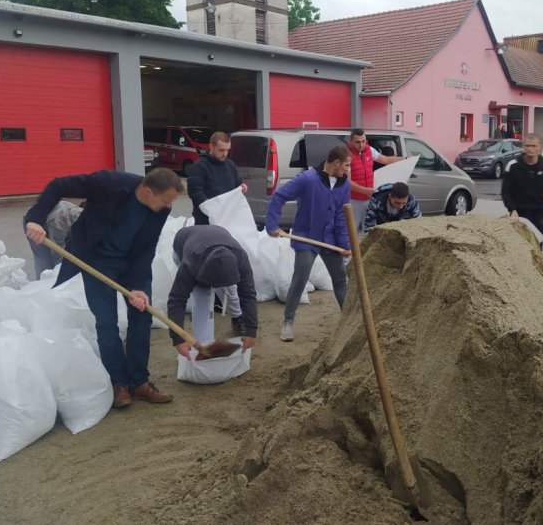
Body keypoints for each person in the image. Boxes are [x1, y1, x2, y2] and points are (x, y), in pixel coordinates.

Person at [24, 167, 184, 408]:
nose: (167, 206)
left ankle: (139, 381)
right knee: (106, 321)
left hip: (130, 263)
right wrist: (36, 219)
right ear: (148, 191)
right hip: (95, 261)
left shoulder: (161, 210)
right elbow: (58, 185)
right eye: (164, 200)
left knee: (142, 317)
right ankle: (119, 383)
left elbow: (146, 248)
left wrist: (140, 286)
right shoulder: (109, 184)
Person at [266, 145, 352, 342]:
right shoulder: (307, 179)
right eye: (346, 165)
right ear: (336, 163)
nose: (348, 170)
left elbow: (341, 217)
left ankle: (349, 322)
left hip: (330, 239)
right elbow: (279, 196)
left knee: (340, 280)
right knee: (300, 278)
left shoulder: (344, 185)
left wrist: (345, 244)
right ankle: (288, 321)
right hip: (307, 237)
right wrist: (272, 224)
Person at [167, 225, 257, 357]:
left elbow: (248, 294)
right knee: (202, 297)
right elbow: (177, 299)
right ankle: (204, 345)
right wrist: (178, 339)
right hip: (184, 244)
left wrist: (251, 330)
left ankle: (238, 319)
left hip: (218, 240)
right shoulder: (190, 264)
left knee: (231, 292)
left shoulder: (240, 258)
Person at [501, 133, 543, 236]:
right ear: (523, 147)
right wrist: (512, 209)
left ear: (540, 147)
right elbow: (505, 192)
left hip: (539, 212)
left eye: (533, 146)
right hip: (518, 212)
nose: (530, 149)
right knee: (520, 247)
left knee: (537, 246)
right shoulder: (513, 166)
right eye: (527, 146)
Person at [346, 128, 404, 231]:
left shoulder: (369, 150)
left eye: (363, 141)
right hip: (353, 200)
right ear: (351, 142)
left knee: (368, 230)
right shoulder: (347, 155)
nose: (361, 145)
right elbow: (348, 182)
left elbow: (385, 160)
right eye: (358, 142)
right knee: (351, 231)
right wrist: (364, 190)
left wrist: (404, 159)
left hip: (368, 199)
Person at [187, 131, 247, 226]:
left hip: (228, 219)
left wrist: (241, 186)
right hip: (206, 221)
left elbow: (236, 183)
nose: (225, 154)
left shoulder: (230, 165)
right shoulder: (199, 167)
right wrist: (209, 207)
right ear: (211, 146)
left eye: (227, 150)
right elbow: (195, 191)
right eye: (221, 150)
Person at [24, 200, 83, 279]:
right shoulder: (60, 221)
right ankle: (43, 286)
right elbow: (59, 255)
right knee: (47, 264)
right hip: (35, 226)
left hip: (59, 221)